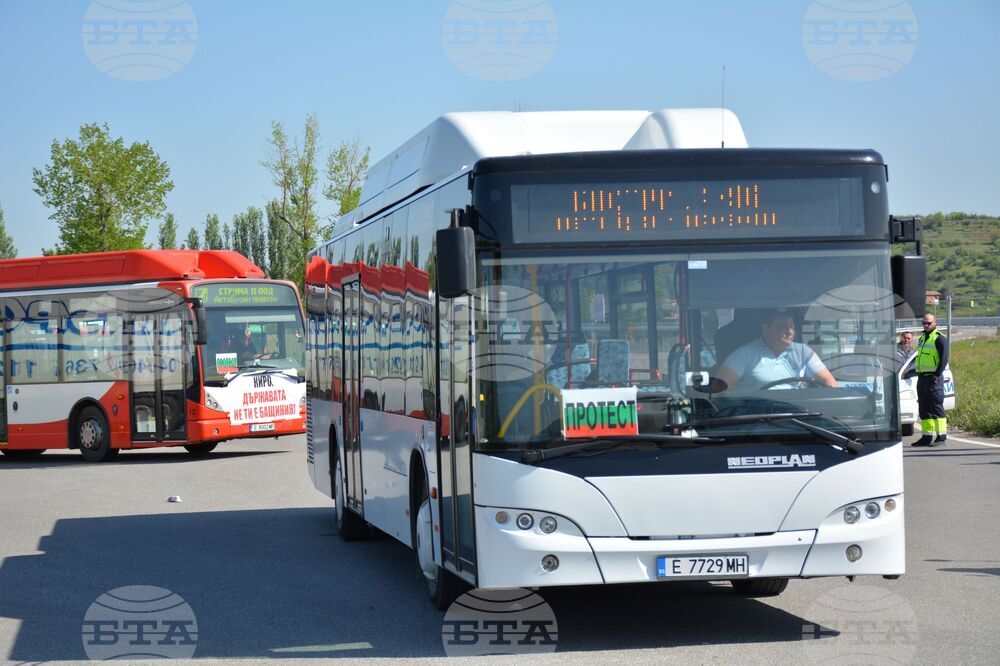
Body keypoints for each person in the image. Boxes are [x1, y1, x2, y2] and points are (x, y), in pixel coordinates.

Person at [715, 310, 837, 391]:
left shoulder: (803, 352)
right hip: (756, 420)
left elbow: (828, 381)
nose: (789, 332)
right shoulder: (745, 354)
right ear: (765, 329)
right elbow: (719, 387)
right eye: (782, 326)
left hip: (796, 417)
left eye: (792, 327)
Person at [912, 313, 949, 446]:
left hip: (934, 379)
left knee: (936, 407)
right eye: (924, 323)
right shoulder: (922, 338)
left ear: (935, 323)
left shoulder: (939, 338)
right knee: (924, 408)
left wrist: (937, 374)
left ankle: (941, 437)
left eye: (928, 323)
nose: (926, 325)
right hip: (922, 378)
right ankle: (926, 437)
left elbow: (944, 358)